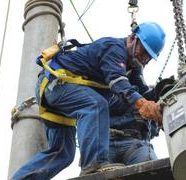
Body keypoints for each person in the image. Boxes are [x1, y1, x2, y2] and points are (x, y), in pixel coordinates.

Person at [11, 22, 166, 180]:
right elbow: (119, 84)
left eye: (149, 56)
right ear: (133, 38)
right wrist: (142, 104)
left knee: (63, 153)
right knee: (96, 105)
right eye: (144, 51)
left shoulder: (133, 66)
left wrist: (161, 93)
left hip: (58, 91)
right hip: (56, 85)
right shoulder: (114, 48)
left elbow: (141, 92)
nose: (144, 58)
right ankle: (94, 165)